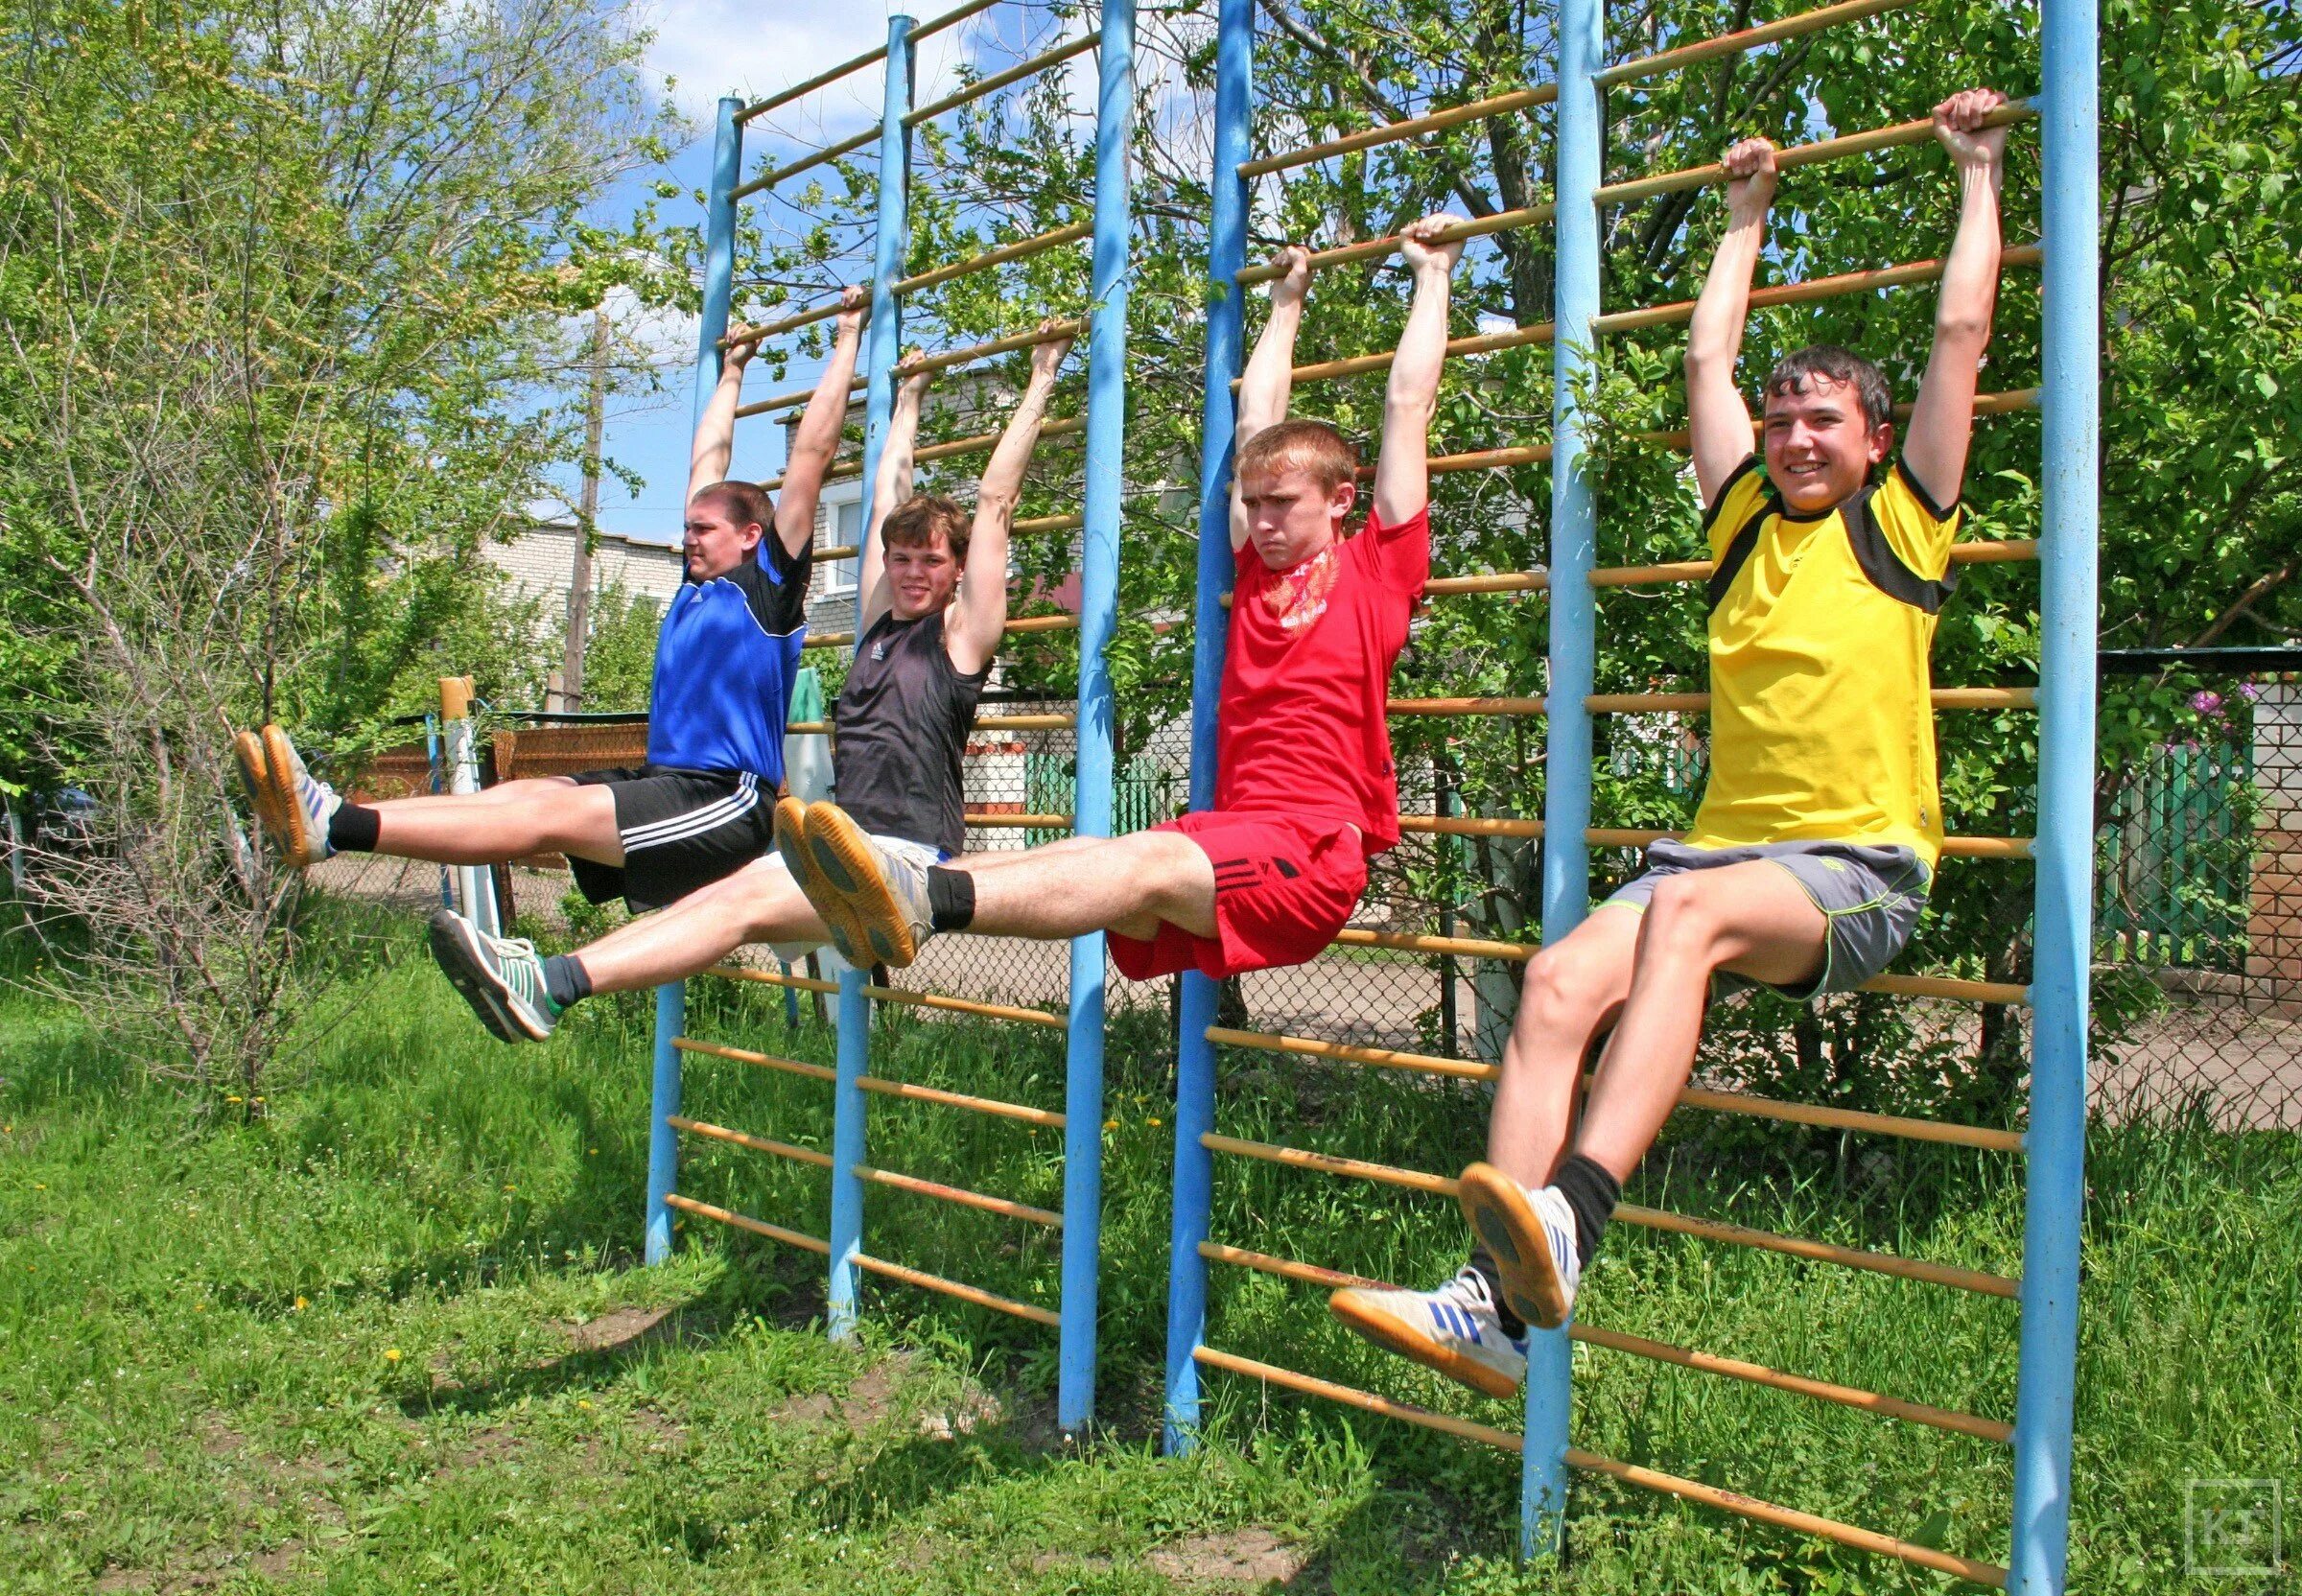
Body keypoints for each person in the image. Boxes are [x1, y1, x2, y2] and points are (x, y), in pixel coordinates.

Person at [1330, 90, 2012, 1399]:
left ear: (1875, 446)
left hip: (1857, 867)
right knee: (1551, 990)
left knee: (1685, 919)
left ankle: (1571, 1224)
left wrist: (1976, 173)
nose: (1801, 437)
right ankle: (1497, 1301)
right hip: (1718, 857)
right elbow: (1706, 360)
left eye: (1829, 424)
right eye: (1787, 419)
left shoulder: (1905, 523)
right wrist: (1743, 219)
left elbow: (1960, 333)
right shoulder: (1743, 529)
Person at [775, 218, 1462, 989]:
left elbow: (1408, 407)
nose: (1261, 521)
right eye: (1253, 502)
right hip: (1230, 830)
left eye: (1282, 506)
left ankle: (916, 895)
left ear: (1340, 501)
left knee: (1143, 862)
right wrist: (1285, 304)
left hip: (1310, 849)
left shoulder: (1377, 567)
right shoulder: (1257, 571)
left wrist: (1431, 276)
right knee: (1093, 858)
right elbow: (1254, 421)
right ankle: (894, 902)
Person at [425, 329, 1074, 1040]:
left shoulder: (961, 637)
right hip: (841, 853)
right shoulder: (877, 629)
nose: (912, 571)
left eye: (930, 561)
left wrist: (1043, 373)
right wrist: (908, 402)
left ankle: (549, 984)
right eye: (901, 559)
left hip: (907, 861)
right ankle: (557, 974)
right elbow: (890, 489)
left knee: (736, 904)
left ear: (955, 572)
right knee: (715, 899)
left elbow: (995, 501)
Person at [234, 288, 869, 922]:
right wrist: (732, 373)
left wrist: (846, 336)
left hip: (728, 800)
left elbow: (810, 455)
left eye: (703, 529)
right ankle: (335, 820)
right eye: (689, 526)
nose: (688, 536)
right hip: (664, 782)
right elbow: (708, 456)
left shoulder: (768, 589)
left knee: (546, 814)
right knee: (524, 798)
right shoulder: (694, 586)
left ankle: (337, 826)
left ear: (749, 536)